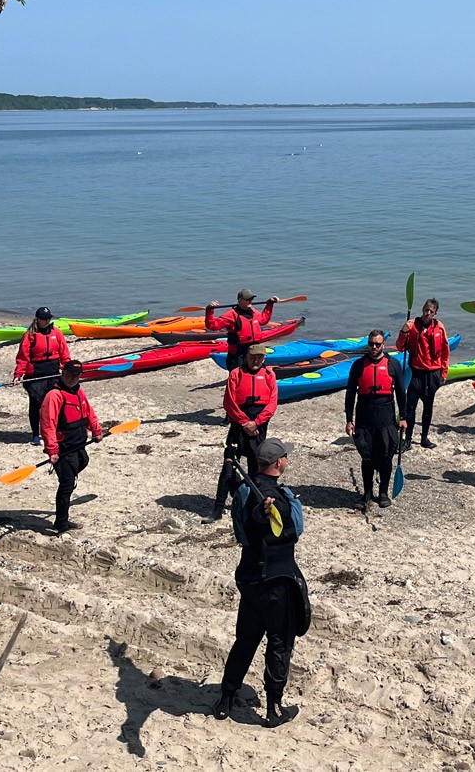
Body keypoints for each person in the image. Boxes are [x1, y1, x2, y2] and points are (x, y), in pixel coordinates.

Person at [213, 437, 311, 728]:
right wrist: (277, 507)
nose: (286, 461)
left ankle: (225, 700)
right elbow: (292, 531)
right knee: (280, 642)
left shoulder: (243, 489)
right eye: (285, 458)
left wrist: (229, 460)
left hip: (249, 578)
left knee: (245, 640)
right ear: (278, 463)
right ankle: (274, 709)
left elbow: (245, 530)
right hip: (276, 582)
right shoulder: (275, 497)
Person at [207, 344, 279, 523]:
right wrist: (244, 422)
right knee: (228, 467)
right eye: (253, 357)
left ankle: (255, 505)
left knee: (257, 469)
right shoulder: (236, 374)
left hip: (258, 428)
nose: (256, 360)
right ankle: (217, 509)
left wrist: (256, 422)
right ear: (247, 356)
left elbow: (272, 404)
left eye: (260, 357)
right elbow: (229, 402)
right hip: (238, 427)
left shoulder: (269, 375)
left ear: (264, 358)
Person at [344, 330, 407, 511]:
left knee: (386, 457)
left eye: (377, 344)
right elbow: (349, 394)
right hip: (364, 416)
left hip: (386, 417)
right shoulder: (358, 365)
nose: (373, 347)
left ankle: (384, 493)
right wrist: (349, 420)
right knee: (367, 457)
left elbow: (401, 393)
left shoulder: (393, 364)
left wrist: (403, 417)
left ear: (383, 345)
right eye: (371, 344)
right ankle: (367, 493)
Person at [39, 360, 102, 535]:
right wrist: (52, 450)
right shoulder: (54, 395)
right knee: (66, 484)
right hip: (62, 447)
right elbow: (47, 424)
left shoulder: (78, 391)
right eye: (69, 374)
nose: (73, 378)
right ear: (63, 373)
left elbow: (89, 412)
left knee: (83, 461)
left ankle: (62, 518)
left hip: (78, 443)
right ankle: (61, 525)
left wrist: (96, 430)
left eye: (76, 375)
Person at [13, 306, 72, 446]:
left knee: (56, 403)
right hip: (35, 376)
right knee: (36, 405)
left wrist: (67, 369)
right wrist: (18, 374)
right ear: (37, 319)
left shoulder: (56, 333)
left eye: (49, 318)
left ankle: (56, 431)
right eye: (44, 319)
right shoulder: (30, 335)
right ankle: (35, 434)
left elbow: (64, 353)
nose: (46, 321)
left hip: (53, 374)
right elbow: (23, 357)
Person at [396, 298, 449, 450]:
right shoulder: (412, 325)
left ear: (435, 313)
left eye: (431, 311)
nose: (427, 313)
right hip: (416, 373)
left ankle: (424, 438)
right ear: (422, 309)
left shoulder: (439, 327)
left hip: (433, 374)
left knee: (428, 407)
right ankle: (407, 439)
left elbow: (445, 351)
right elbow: (400, 347)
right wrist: (403, 331)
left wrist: (444, 372)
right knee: (410, 407)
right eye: (426, 310)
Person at [204, 289, 284, 371]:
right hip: (238, 354)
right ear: (240, 300)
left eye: (251, 299)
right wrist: (209, 311)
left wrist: (270, 304)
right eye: (248, 299)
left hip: (254, 351)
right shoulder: (231, 314)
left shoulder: (253, 311)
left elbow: (263, 319)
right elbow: (213, 326)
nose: (250, 301)